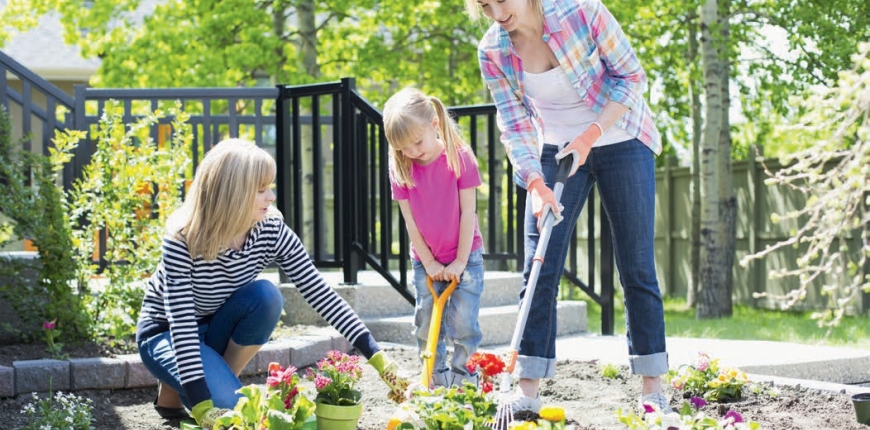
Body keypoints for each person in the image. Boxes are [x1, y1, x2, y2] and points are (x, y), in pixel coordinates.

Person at [465, 0, 671, 414]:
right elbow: (514, 123)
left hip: (621, 139)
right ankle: (526, 394)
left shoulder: (582, 12)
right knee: (539, 267)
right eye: (485, 5)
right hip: (555, 151)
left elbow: (631, 77)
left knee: (636, 267)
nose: (497, 13)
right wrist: (535, 183)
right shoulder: (493, 50)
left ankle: (653, 392)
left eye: (501, 0)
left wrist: (589, 136)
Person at [136, 139, 410, 429]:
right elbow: (181, 324)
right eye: (261, 189)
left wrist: (380, 361)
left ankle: (204, 382)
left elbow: (321, 294)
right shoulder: (183, 237)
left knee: (266, 297)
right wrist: (203, 407)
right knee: (232, 410)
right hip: (166, 331)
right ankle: (196, 385)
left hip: (216, 324)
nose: (271, 196)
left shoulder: (270, 227)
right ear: (233, 193)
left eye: (270, 186)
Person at [383, 87, 485, 389]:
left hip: (466, 256)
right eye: (404, 148)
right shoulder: (401, 167)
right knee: (427, 322)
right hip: (425, 260)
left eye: (417, 142)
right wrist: (428, 262)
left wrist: (460, 262)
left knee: (463, 324)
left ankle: (464, 381)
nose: (413, 152)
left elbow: (468, 214)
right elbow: (410, 221)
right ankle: (433, 379)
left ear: (434, 124)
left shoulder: (459, 157)